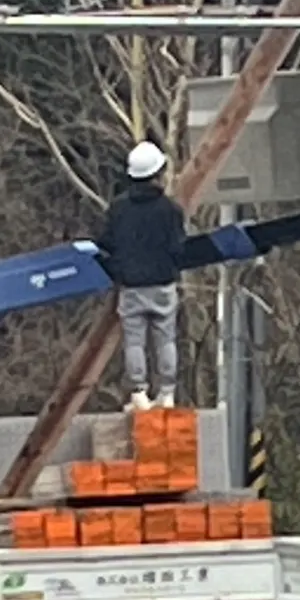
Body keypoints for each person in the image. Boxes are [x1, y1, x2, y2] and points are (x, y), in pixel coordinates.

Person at [98, 140, 188, 408]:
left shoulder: (118, 209)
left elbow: (106, 242)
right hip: (162, 283)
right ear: (157, 173)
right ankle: (167, 392)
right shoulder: (170, 210)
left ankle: (138, 391)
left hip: (131, 285)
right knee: (165, 338)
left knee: (134, 340)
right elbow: (178, 247)